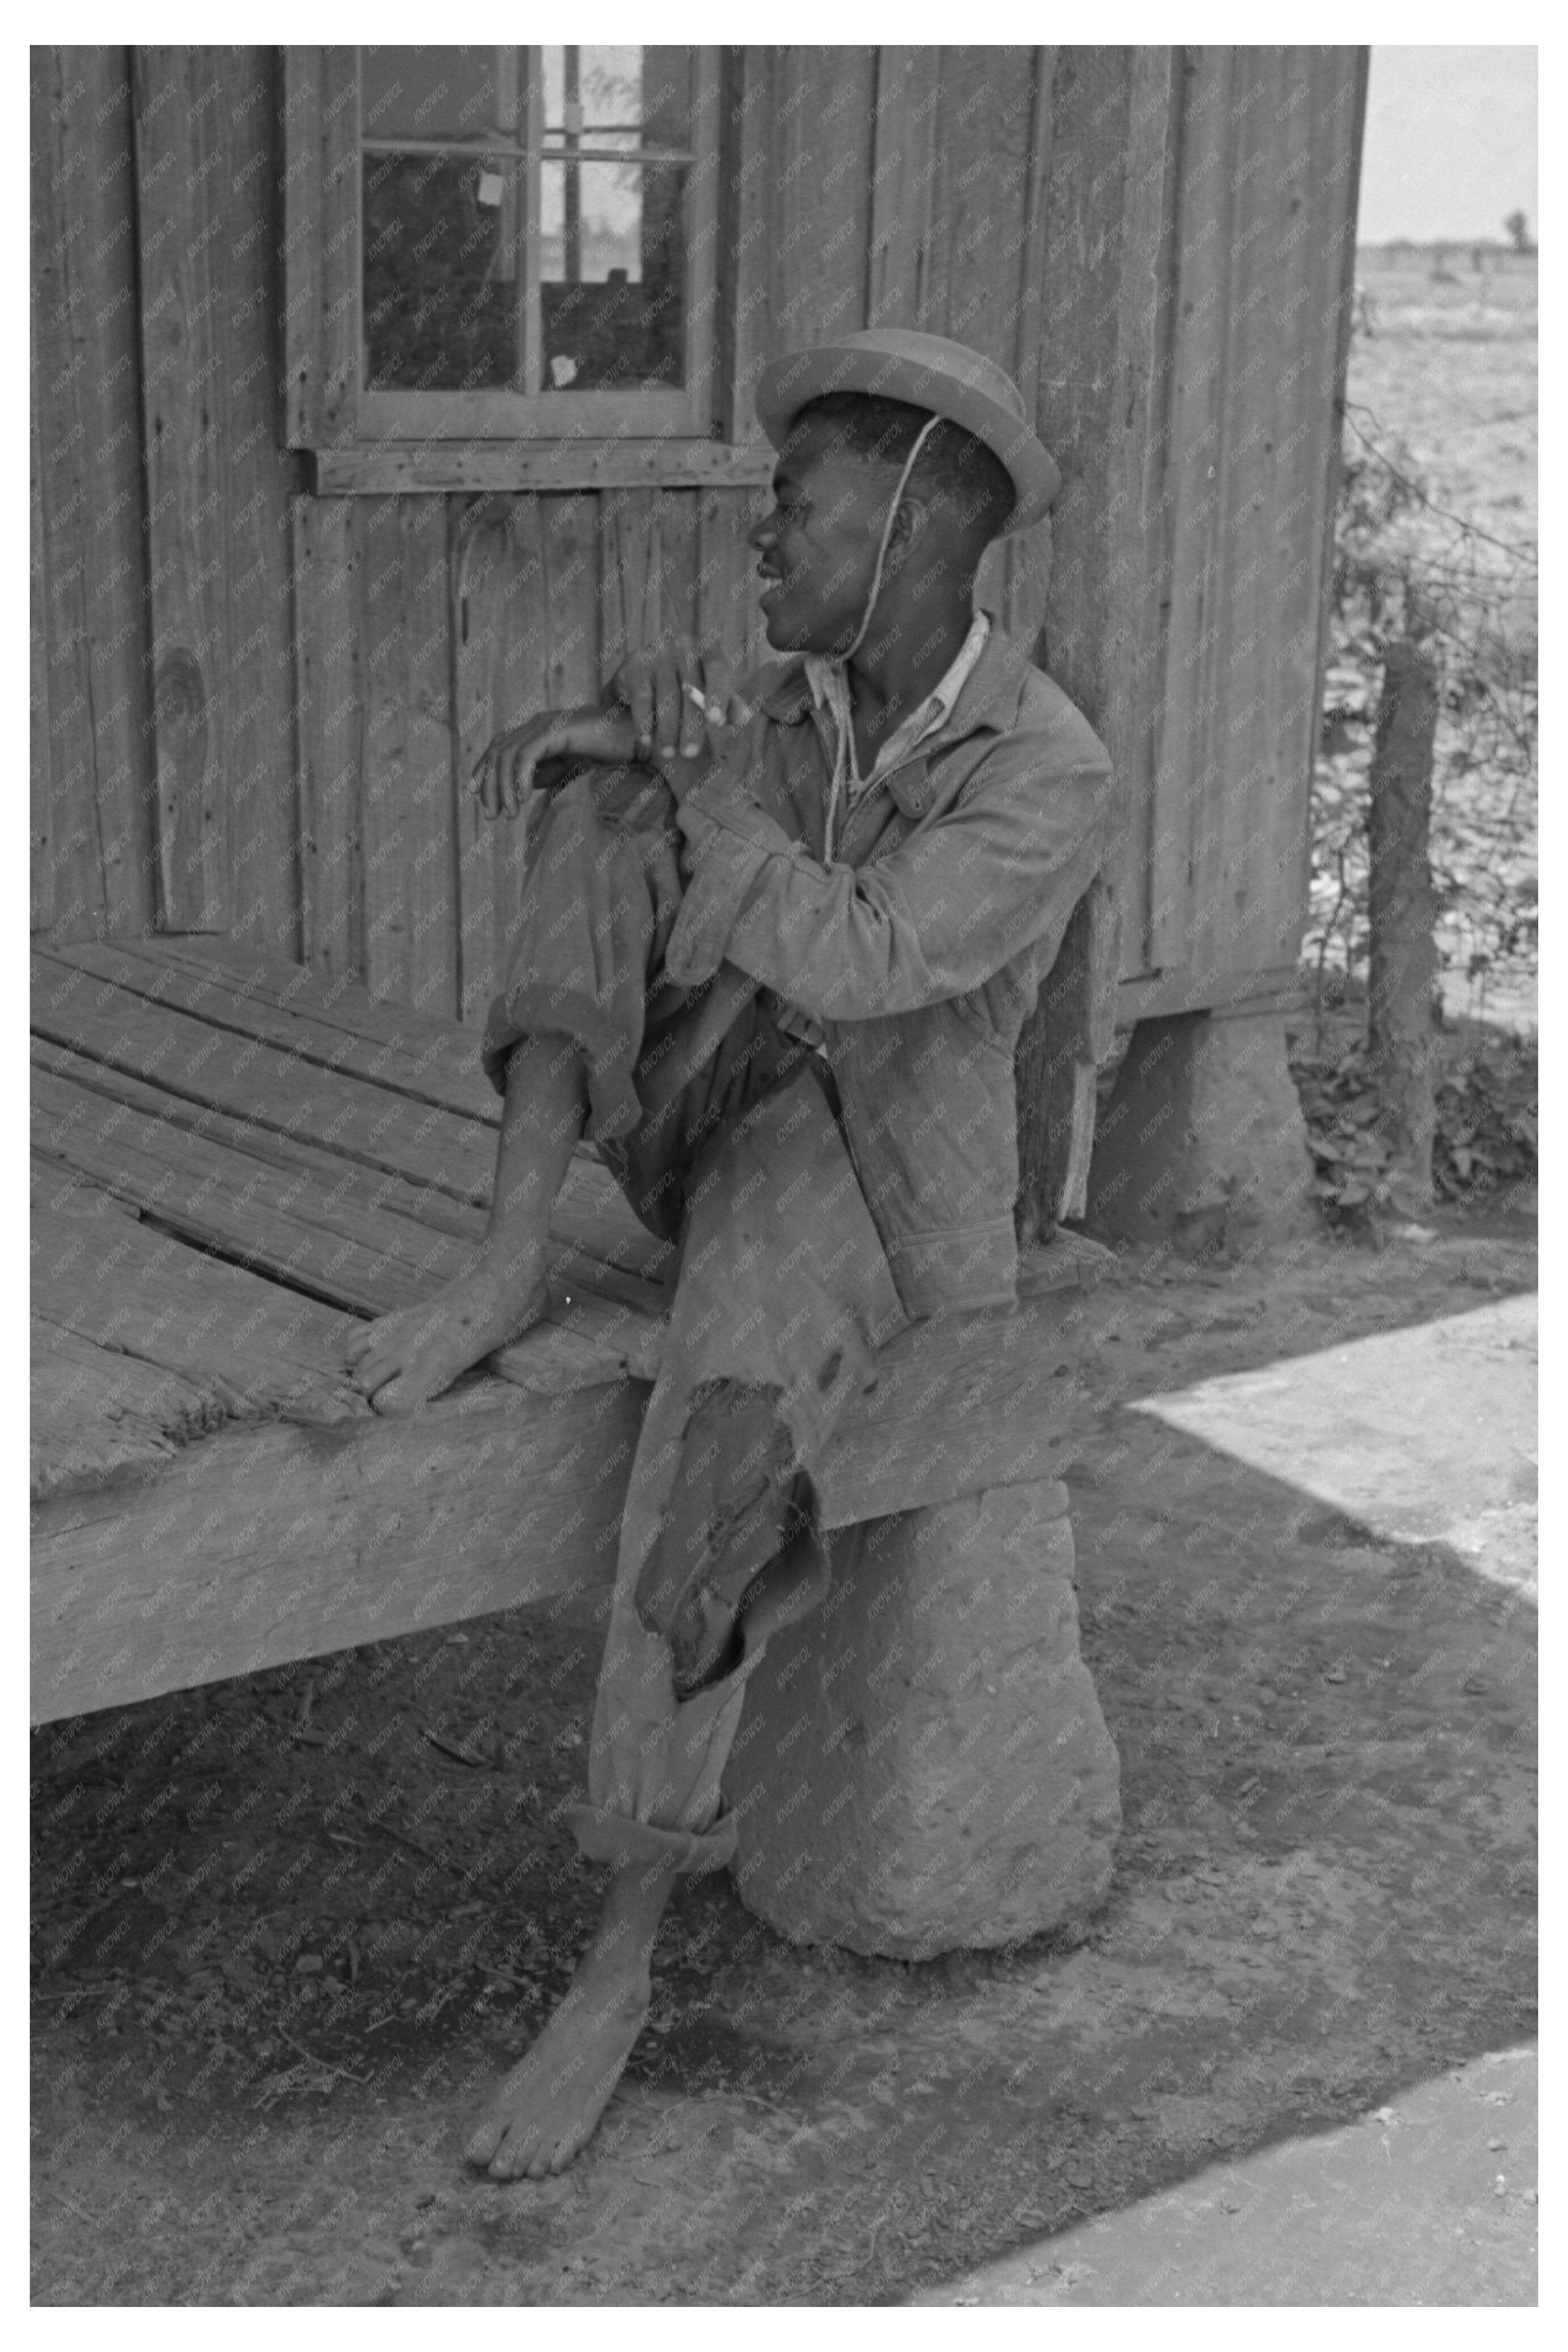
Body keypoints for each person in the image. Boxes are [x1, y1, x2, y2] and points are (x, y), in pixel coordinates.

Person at [342, 327, 1115, 2179]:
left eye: (796, 505)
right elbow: (684, 718)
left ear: (920, 515)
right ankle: (514, 1252)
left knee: (717, 1436)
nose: (759, 540)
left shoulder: (1044, 769)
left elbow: (853, 955)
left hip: (872, 1187)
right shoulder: (800, 700)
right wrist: (613, 738)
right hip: (721, 1113)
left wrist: (699, 782)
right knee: (602, 801)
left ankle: (620, 1952)